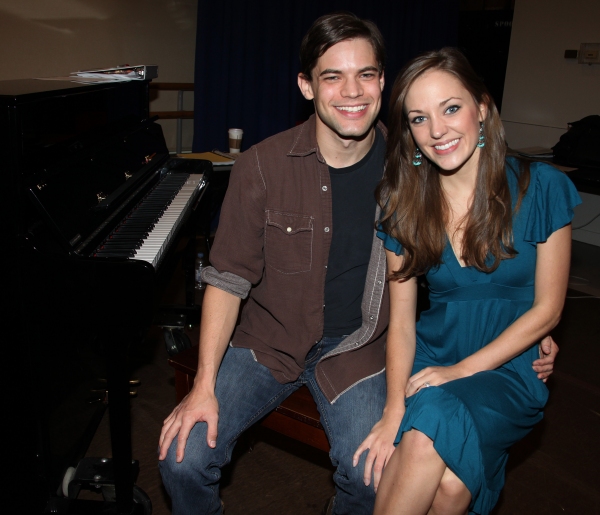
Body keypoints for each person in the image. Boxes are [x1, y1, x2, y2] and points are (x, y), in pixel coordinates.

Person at [158, 14, 558, 515]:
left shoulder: (415, 166)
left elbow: (472, 252)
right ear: (306, 85)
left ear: (383, 81)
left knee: (374, 475)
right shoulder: (262, 164)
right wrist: (202, 386)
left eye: (366, 74)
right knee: (182, 458)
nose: (352, 92)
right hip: (267, 343)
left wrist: (529, 324)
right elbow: (227, 278)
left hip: (361, 352)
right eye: (332, 76)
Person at [354, 47, 581, 515]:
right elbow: (401, 325)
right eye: (419, 118)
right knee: (452, 488)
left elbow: (549, 310)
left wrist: (458, 373)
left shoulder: (541, 188)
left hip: (510, 367)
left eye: (451, 108)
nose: (437, 131)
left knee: (435, 415)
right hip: (434, 355)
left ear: (482, 107)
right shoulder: (404, 207)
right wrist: (394, 406)